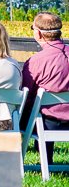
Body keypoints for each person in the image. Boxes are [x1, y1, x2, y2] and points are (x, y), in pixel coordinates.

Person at [22, 11, 69, 159]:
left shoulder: (37, 61)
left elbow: (27, 96)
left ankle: (44, 160)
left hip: (48, 122)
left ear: (39, 33)